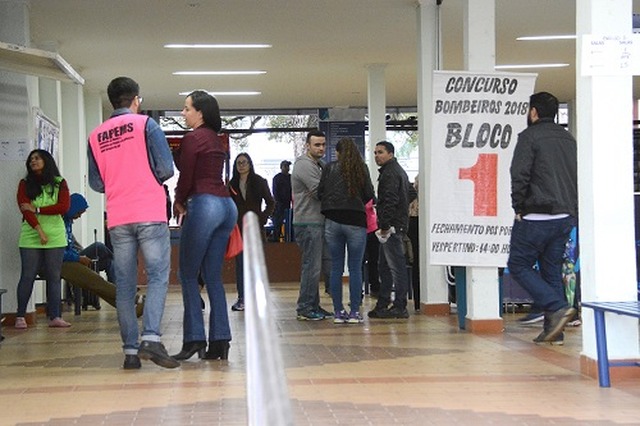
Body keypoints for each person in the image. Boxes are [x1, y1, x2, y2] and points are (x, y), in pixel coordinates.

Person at [88, 76, 178, 370]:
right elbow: (166, 168)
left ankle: (130, 351)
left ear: (112, 100)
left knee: (124, 285)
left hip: (118, 216)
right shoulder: (146, 125)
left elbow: (96, 182)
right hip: (149, 211)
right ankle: (150, 337)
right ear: (136, 99)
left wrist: (119, 181)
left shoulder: (96, 135)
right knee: (157, 276)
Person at [507, 91, 578, 345]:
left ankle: (557, 307)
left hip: (537, 214)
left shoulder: (529, 137)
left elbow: (520, 173)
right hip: (564, 215)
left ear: (533, 112)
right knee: (551, 270)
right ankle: (554, 332)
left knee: (518, 265)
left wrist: (518, 206)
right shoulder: (568, 138)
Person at [172, 90, 237, 361]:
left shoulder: (192, 138)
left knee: (187, 274)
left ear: (200, 112)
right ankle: (220, 341)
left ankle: (194, 339)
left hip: (204, 203)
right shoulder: (216, 139)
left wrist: (178, 200)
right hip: (226, 207)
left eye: (187, 109)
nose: (183, 113)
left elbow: (186, 175)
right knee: (212, 276)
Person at [318, 138, 375, 324]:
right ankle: (355, 313)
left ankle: (338, 311)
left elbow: (320, 193)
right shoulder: (361, 169)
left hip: (332, 221)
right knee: (355, 267)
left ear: (338, 152)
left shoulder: (328, 168)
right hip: (356, 221)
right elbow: (369, 194)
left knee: (336, 267)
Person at [61, 193, 144, 317]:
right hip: (63, 261)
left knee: (105, 271)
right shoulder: (59, 223)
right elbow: (60, 251)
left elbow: (69, 246)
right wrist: (78, 257)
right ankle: (131, 297)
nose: (78, 217)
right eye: (78, 213)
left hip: (71, 258)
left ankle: (129, 307)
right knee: (97, 279)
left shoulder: (67, 222)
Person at [14, 149, 71, 329]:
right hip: (31, 233)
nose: (33, 161)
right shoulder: (25, 184)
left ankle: (55, 316)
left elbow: (63, 207)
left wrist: (37, 209)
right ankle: (20, 316)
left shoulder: (59, 183)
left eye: (37, 158)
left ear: (47, 160)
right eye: (31, 159)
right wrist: (39, 229)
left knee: (54, 276)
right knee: (28, 275)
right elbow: (24, 208)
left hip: (55, 234)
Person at [368, 141, 417, 319]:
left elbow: (389, 201)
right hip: (398, 224)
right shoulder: (399, 171)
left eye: (380, 152)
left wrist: (385, 225)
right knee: (385, 267)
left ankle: (399, 305)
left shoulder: (389, 174)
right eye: (375, 153)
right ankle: (383, 302)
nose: (376, 156)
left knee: (395, 267)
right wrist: (402, 210)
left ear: (390, 153)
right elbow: (411, 193)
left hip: (392, 228)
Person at [292, 130, 333, 321]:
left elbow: (326, 188)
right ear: (307, 145)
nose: (321, 148)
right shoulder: (304, 165)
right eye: (317, 145)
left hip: (319, 221)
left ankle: (314, 305)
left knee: (316, 266)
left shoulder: (321, 165)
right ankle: (305, 307)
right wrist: (326, 189)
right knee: (312, 266)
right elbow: (319, 192)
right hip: (308, 223)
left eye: (323, 144)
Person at [228, 153, 275, 311]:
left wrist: (262, 218)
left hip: (255, 228)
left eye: (244, 162)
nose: (241, 165)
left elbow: (271, 202)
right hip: (238, 230)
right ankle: (243, 298)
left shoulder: (259, 181)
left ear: (250, 164)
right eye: (238, 163)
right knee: (240, 265)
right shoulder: (231, 184)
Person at [407, 175, 420, 312]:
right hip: (417, 220)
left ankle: (418, 300)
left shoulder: (419, 177)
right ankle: (419, 299)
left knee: (416, 262)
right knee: (418, 262)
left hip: (413, 219)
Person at [271, 160, 292, 242]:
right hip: (279, 205)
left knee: (289, 226)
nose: (287, 168)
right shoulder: (277, 178)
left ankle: (288, 241)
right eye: (285, 166)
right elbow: (275, 192)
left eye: (288, 166)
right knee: (277, 225)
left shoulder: (291, 177)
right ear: (281, 167)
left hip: (288, 204)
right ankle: (276, 242)